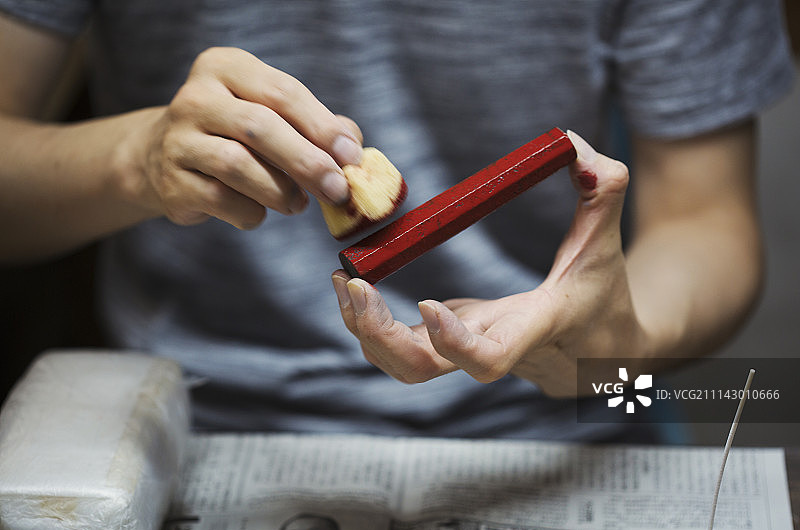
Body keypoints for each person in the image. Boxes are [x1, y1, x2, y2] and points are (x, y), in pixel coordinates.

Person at [0, 1, 794, 440]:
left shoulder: (598, 380)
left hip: (574, 420)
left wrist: (614, 351)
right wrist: (134, 158)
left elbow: (709, 225)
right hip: (191, 419)